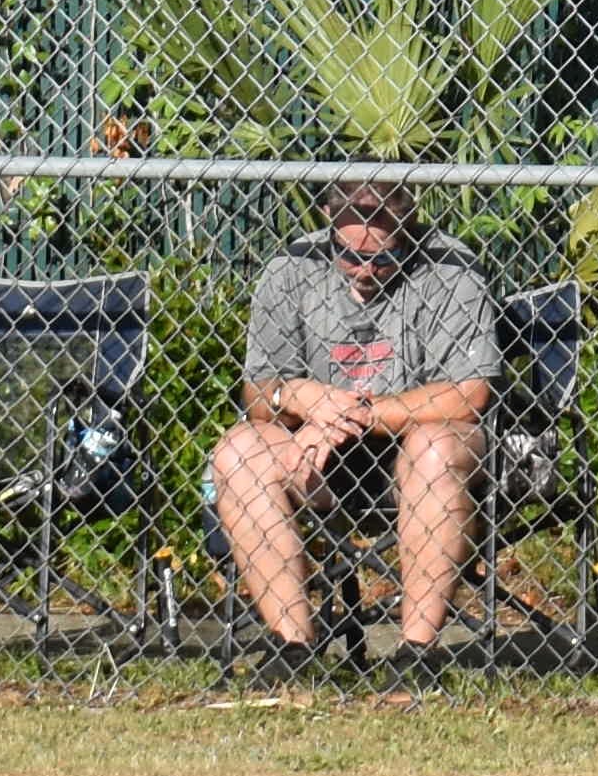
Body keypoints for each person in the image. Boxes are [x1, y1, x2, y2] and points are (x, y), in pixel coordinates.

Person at [207, 180, 499, 666]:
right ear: (328, 220)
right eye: (349, 256)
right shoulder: (292, 268)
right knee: (239, 451)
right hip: (317, 457)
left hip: (413, 456)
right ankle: (292, 650)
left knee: (436, 446)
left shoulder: (451, 268)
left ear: (409, 231)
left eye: (383, 259)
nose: (365, 272)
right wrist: (299, 395)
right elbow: (258, 394)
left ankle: (417, 656)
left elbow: (468, 394)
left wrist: (355, 414)